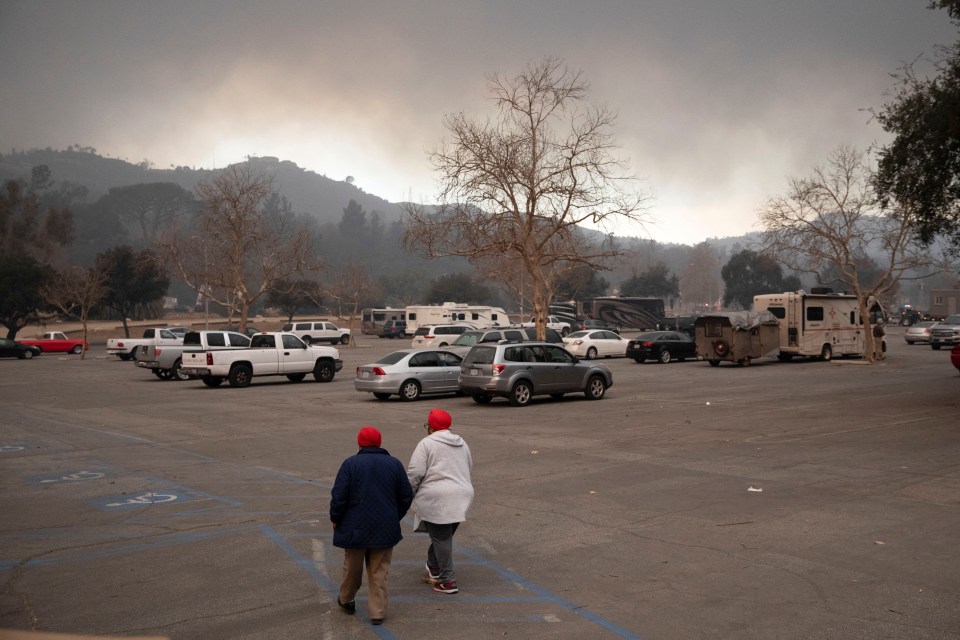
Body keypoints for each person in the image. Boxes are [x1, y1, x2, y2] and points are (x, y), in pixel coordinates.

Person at [330, 426, 413, 625]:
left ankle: (346, 599)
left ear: (359, 443)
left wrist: (336, 518)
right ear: (379, 443)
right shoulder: (394, 464)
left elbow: (339, 497)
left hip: (354, 528)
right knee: (379, 571)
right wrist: (394, 516)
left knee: (352, 568)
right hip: (385, 528)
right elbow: (406, 496)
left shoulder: (350, 464)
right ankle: (377, 612)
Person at [407, 408, 474, 594]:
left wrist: (407, 495)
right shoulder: (461, 443)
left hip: (438, 498)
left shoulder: (426, 444)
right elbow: (469, 467)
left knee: (441, 538)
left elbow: (415, 473)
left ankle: (448, 581)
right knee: (442, 537)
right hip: (462, 495)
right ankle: (434, 566)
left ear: (430, 427)